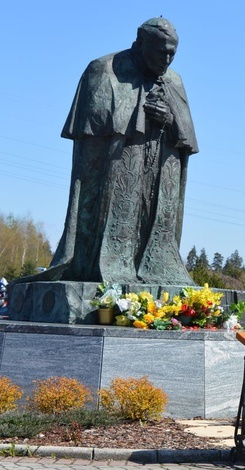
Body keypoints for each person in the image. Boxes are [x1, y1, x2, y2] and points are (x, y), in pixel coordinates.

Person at [44, 17, 198, 285]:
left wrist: (170, 119)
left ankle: (151, 267)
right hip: (118, 173)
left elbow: (186, 138)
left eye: (173, 52)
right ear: (140, 43)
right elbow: (91, 143)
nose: (167, 58)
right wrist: (139, 114)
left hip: (157, 174)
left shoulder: (174, 81)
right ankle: (103, 264)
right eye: (161, 51)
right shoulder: (105, 70)